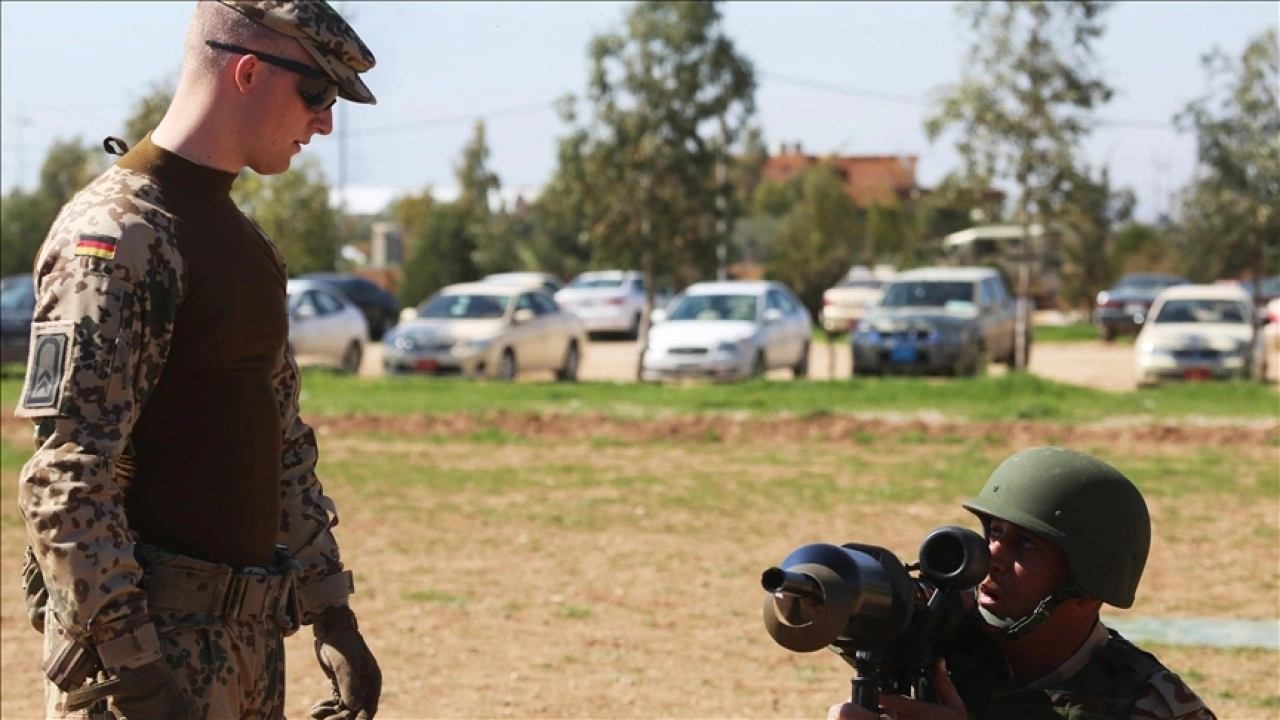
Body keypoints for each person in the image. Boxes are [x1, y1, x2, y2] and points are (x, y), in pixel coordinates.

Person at [16, 2, 381, 718]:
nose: (325, 123)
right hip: (148, 653)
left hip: (242, 646)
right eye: (318, 94)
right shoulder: (119, 235)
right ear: (248, 71)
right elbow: (66, 479)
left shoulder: (247, 246)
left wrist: (332, 612)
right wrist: (135, 678)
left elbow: (281, 442)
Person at [827, 446, 1215, 720]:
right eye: (994, 532)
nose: (991, 557)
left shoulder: (1152, 706)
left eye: (1026, 545)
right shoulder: (940, 649)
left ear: (1090, 587)